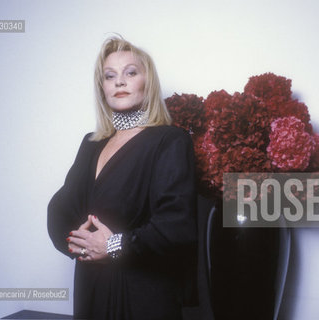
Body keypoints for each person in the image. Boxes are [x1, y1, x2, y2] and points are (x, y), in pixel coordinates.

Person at [47, 36, 198, 320]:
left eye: (131, 72)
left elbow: (177, 227)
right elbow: (60, 209)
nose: (119, 82)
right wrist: (81, 244)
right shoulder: (91, 144)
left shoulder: (170, 140)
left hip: (144, 294)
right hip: (92, 287)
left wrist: (114, 246)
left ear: (148, 82)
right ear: (102, 88)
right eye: (110, 76)